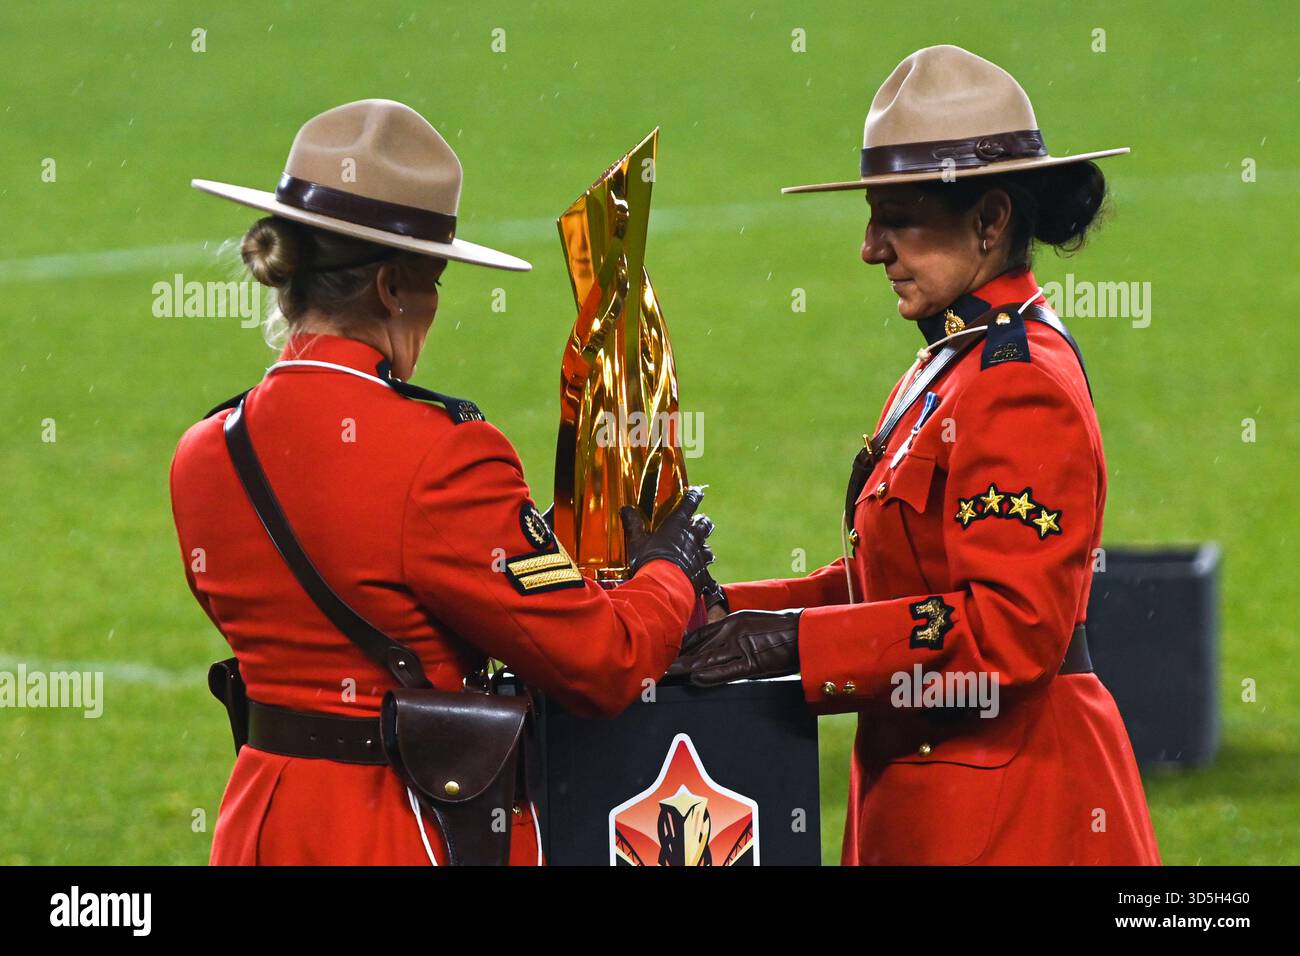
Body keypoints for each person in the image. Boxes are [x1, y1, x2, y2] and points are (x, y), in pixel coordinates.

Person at [172, 99, 716, 865]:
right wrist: (670, 572)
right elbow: (601, 663)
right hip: (399, 828)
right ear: (394, 287)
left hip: (262, 820)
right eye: (433, 282)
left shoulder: (203, 451)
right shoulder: (442, 456)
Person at [672, 46, 1160, 865]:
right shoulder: (952, 361)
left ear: (990, 220)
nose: (871, 248)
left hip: (1012, 811)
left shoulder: (1016, 385)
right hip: (938, 795)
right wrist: (726, 611)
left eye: (896, 217)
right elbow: (898, 580)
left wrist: (795, 645)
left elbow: (1009, 631)